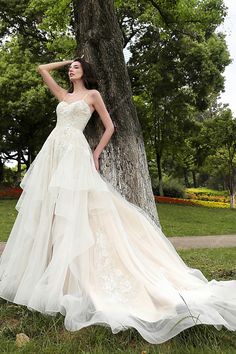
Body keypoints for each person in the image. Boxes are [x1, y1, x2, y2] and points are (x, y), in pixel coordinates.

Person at [0, 57, 236, 345]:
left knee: (77, 211)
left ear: (86, 71)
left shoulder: (92, 95)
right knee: (50, 211)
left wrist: (96, 153)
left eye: (77, 66)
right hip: (53, 152)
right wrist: (63, 63)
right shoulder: (64, 95)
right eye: (71, 67)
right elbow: (40, 69)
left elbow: (109, 126)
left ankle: (77, 276)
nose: (72, 69)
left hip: (75, 151)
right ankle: (50, 275)